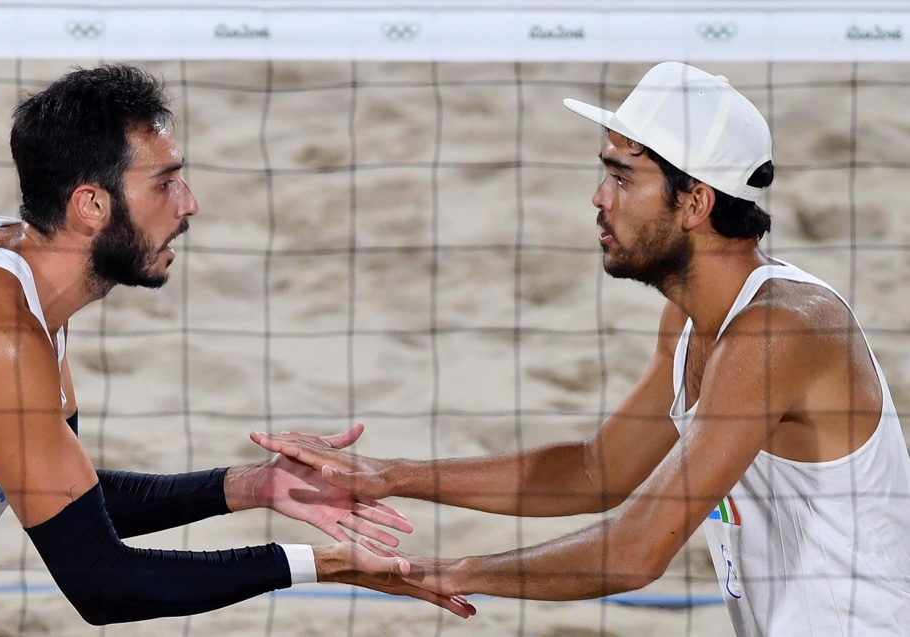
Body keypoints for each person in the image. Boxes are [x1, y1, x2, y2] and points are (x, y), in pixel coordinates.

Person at [0, 64, 475, 636]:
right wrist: (321, 564)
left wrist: (251, 486)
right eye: (165, 182)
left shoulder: (15, 269)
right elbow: (101, 582)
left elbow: (68, 499)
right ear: (91, 204)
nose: (190, 203)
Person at [253, 61, 910, 636]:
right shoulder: (690, 325)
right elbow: (598, 471)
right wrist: (389, 474)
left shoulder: (781, 332)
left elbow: (635, 551)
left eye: (623, 179)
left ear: (695, 202)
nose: (599, 198)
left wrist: (449, 571)